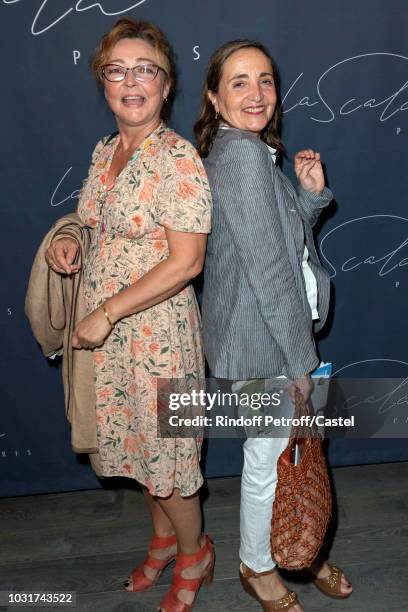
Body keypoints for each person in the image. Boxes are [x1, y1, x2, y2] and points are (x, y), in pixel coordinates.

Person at [45, 18, 214, 612]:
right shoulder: (104, 152)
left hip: (156, 335)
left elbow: (187, 261)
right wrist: (71, 239)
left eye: (146, 69)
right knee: (136, 448)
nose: (132, 81)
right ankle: (164, 538)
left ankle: (195, 553)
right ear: (104, 83)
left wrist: (108, 312)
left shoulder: (179, 158)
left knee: (169, 454)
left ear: (166, 86)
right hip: (109, 336)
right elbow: (92, 222)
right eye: (118, 70)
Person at [195, 40, 353, 611]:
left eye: (265, 80)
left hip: (268, 336)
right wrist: (298, 364)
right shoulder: (240, 156)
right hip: (263, 345)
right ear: (214, 98)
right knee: (268, 457)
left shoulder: (254, 152)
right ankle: (259, 566)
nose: (256, 93)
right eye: (239, 82)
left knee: (292, 453)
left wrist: (309, 200)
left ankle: (299, 548)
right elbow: (269, 274)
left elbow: (278, 245)